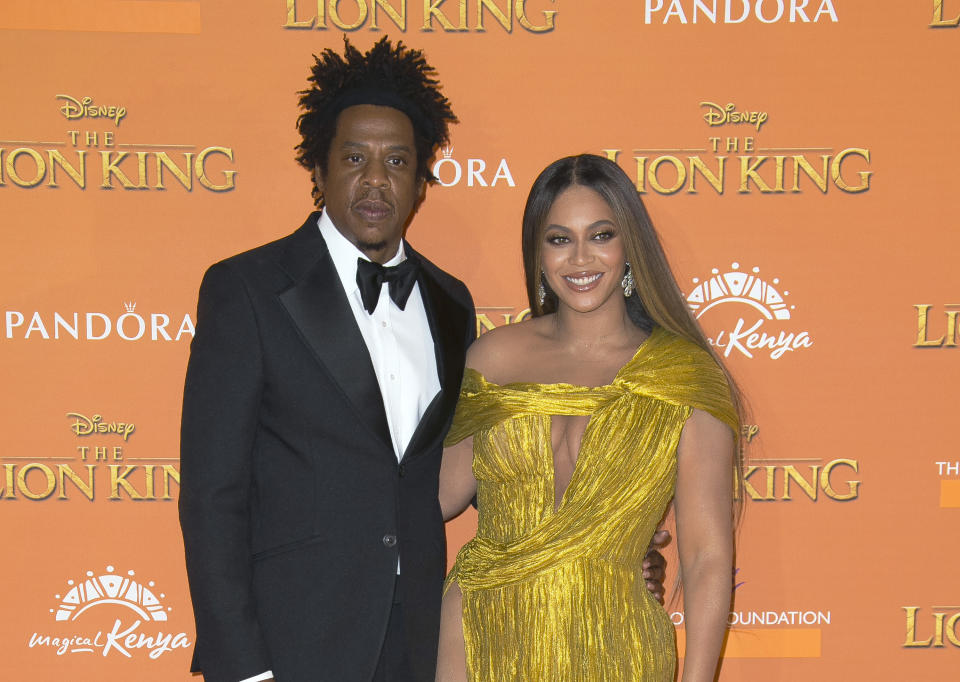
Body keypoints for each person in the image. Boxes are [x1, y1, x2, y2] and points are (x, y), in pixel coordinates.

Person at [179, 37, 669, 682]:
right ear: (318, 171)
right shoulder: (247, 289)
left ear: (420, 182)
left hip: (423, 641)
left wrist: (605, 545)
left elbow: (475, 473)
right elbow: (213, 493)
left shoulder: (448, 302)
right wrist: (241, 664)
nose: (375, 179)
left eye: (397, 161)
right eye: (354, 158)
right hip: (293, 637)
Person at [436, 154, 742, 682]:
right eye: (559, 239)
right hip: (479, 631)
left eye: (600, 235)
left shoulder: (682, 375)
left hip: (616, 641)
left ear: (629, 247)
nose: (580, 258)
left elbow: (706, 556)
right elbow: (437, 496)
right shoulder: (491, 358)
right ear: (537, 251)